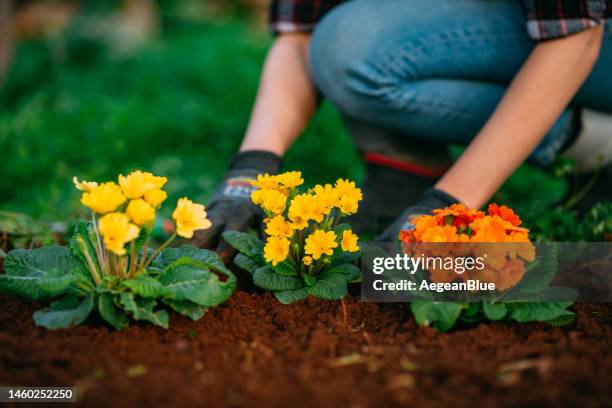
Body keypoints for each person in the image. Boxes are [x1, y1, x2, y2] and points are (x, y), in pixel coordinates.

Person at [193, 0, 612, 259]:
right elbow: (302, 32)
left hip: (594, 35)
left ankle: (597, 144)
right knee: (347, 39)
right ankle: (404, 176)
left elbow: (575, 35)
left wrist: (446, 207)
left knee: (353, 42)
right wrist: (249, 174)